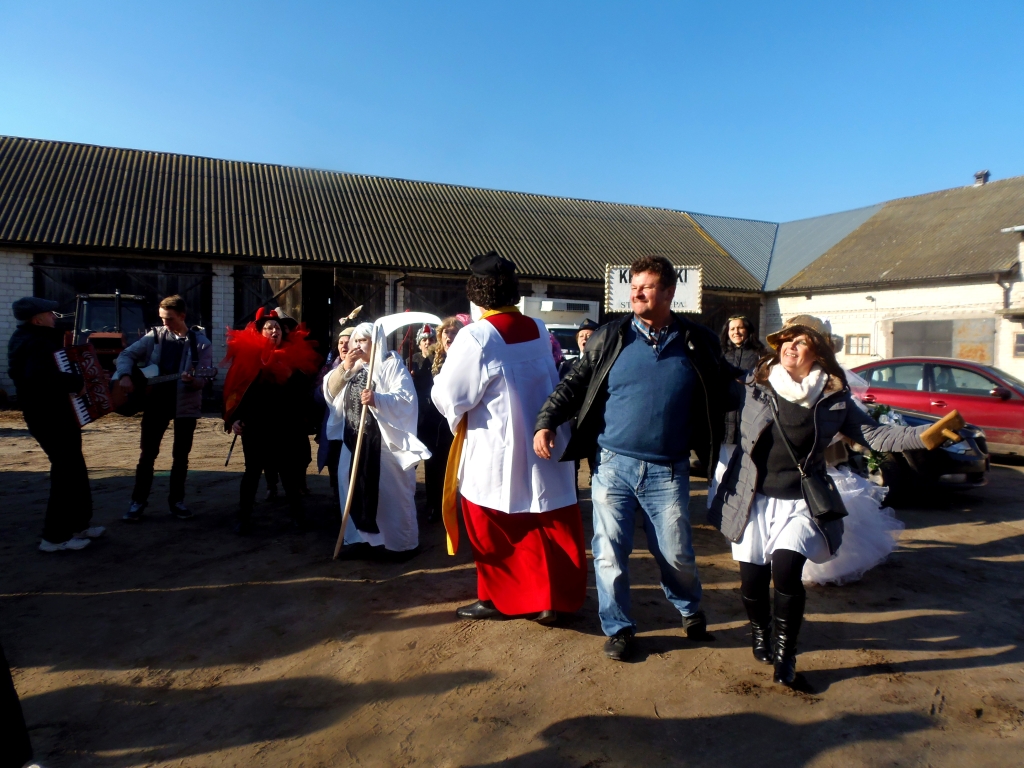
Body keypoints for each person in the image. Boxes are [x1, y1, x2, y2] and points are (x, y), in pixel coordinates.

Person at [708, 315, 961, 686]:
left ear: (818, 352)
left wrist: (926, 436)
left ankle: (786, 652)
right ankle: (760, 630)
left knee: (787, 569)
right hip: (753, 498)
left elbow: (875, 434)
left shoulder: (833, 397)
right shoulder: (755, 383)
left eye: (801, 341)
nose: (790, 346)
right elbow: (711, 384)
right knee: (751, 582)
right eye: (786, 339)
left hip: (801, 501)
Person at [535, 255, 742, 661]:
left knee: (676, 553)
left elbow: (725, 390)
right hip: (613, 465)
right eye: (633, 287)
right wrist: (546, 421)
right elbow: (573, 384)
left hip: (669, 469)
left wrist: (768, 388)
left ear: (669, 292)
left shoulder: (697, 341)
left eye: (646, 287)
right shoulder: (611, 337)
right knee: (609, 552)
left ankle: (688, 607)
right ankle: (619, 628)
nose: (636, 294)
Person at [432, 251, 587, 624]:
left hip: (498, 448)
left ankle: (497, 598)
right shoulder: (538, 328)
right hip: (544, 440)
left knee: (491, 523)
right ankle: (551, 600)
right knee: (546, 520)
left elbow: (452, 396)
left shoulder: (476, 336)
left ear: (475, 291)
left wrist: (439, 386)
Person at [324, 322, 428, 561]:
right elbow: (328, 392)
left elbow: (406, 399)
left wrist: (377, 399)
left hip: (382, 443)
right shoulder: (351, 367)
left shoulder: (391, 364)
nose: (358, 345)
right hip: (353, 439)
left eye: (364, 340)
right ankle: (359, 540)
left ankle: (401, 545)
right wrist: (345, 368)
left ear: (376, 342)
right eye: (357, 340)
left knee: (390, 494)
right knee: (351, 488)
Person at [7, 297, 103, 552]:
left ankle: (78, 525)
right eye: (50, 313)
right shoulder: (35, 342)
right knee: (65, 473)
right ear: (37, 319)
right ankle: (54, 537)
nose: (54, 317)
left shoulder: (29, 338)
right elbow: (39, 377)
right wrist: (75, 382)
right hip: (49, 417)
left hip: (54, 415)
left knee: (75, 468)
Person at [115, 295, 215, 521]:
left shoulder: (201, 344)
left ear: (182, 316)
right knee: (147, 455)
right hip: (155, 403)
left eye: (169, 318)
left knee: (181, 457)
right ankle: (137, 502)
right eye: (162, 318)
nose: (164, 323)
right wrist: (125, 375)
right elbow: (126, 354)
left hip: (185, 406)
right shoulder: (155, 336)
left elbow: (203, 379)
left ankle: (177, 502)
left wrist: (193, 381)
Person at [223, 308, 321, 534]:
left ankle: (297, 516)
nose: (274, 331)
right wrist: (235, 419)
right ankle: (244, 518)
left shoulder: (293, 358)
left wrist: (290, 376)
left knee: (288, 473)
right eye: (269, 328)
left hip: (285, 427)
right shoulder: (248, 358)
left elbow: (304, 392)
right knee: (252, 473)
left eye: (277, 328)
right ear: (260, 332)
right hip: (254, 427)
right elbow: (235, 391)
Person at [415, 317, 462, 522]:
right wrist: (415, 377)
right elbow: (422, 388)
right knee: (432, 464)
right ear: (441, 336)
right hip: (431, 421)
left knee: (451, 466)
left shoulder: (465, 358)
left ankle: (447, 506)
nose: (449, 336)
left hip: (454, 421)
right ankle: (433, 505)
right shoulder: (430, 359)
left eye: (454, 332)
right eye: (446, 332)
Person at [313, 327, 354, 499]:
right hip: (333, 430)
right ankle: (339, 501)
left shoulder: (366, 368)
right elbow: (316, 399)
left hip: (355, 429)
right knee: (336, 468)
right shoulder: (329, 368)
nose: (343, 347)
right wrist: (322, 391)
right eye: (340, 343)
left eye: (348, 343)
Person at [719, 314, 765, 448]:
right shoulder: (720, 353)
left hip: (748, 414)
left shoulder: (760, 354)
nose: (736, 332)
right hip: (723, 416)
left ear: (748, 330)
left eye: (740, 328)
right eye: (732, 329)